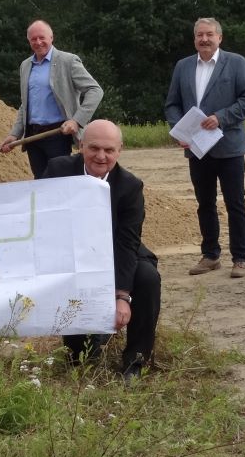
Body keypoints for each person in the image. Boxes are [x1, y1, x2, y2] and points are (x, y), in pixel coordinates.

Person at [44, 120, 160, 377]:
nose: (101, 156)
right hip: (72, 252)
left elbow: (127, 243)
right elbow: (42, 220)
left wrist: (122, 296)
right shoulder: (57, 170)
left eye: (109, 150)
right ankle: (90, 341)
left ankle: (135, 362)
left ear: (120, 150)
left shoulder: (131, 186)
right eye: (94, 148)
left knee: (147, 278)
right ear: (81, 145)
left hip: (117, 249)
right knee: (79, 360)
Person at [163, 17, 245, 277]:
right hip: (196, 147)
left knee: (235, 203)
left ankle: (240, 257)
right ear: (194, 39)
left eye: (209, 34)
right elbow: (172, 104)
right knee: (204, 203)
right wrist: (178, 128)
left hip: (229, 146)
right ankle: (210, 255)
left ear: (220, 37)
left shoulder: (236, 63)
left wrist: (221, 117)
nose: (204, 39)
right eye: (199, 35)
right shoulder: (183, 67)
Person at [0, 20, 104, 179]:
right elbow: (25, 105)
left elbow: (95, 90)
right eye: (33, 39)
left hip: (58, 135)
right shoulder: (25, 65)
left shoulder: (68, 61)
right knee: (40, 182)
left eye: (42, 37)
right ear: (29, 41)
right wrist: (15, 134)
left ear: (51, 37)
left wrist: (76, 121)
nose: (38, 42)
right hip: (33, 137)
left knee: (59, 182)